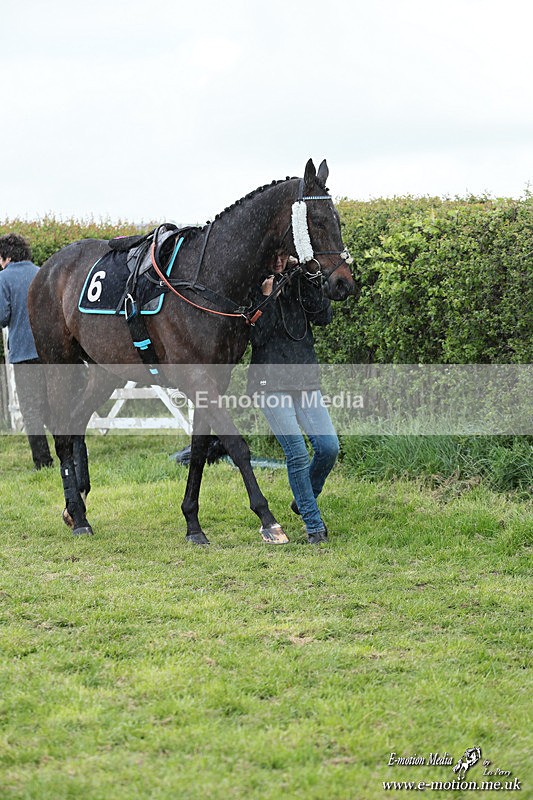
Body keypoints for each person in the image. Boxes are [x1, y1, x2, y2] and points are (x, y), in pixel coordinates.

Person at [247, 250, 339, 544]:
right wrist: (267, 295)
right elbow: (258, 337)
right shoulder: (254, 285)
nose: (278, 259)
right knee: (297, 453)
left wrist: (311, 278)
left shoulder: (300, 279)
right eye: (272, 254)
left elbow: (323, 316)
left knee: (328, 447)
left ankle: (303, 501)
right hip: (269, 382)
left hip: (304, 378)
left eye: (283, 254)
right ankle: (314, 527)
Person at [0, 233, 53, 469]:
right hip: (50, 351)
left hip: (23, 353)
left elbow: (2, 316)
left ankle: (43, 462)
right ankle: (70, 449)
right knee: (52, 404)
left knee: (31, 409)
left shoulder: (4, 278)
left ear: (7, 256)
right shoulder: (42, 271)